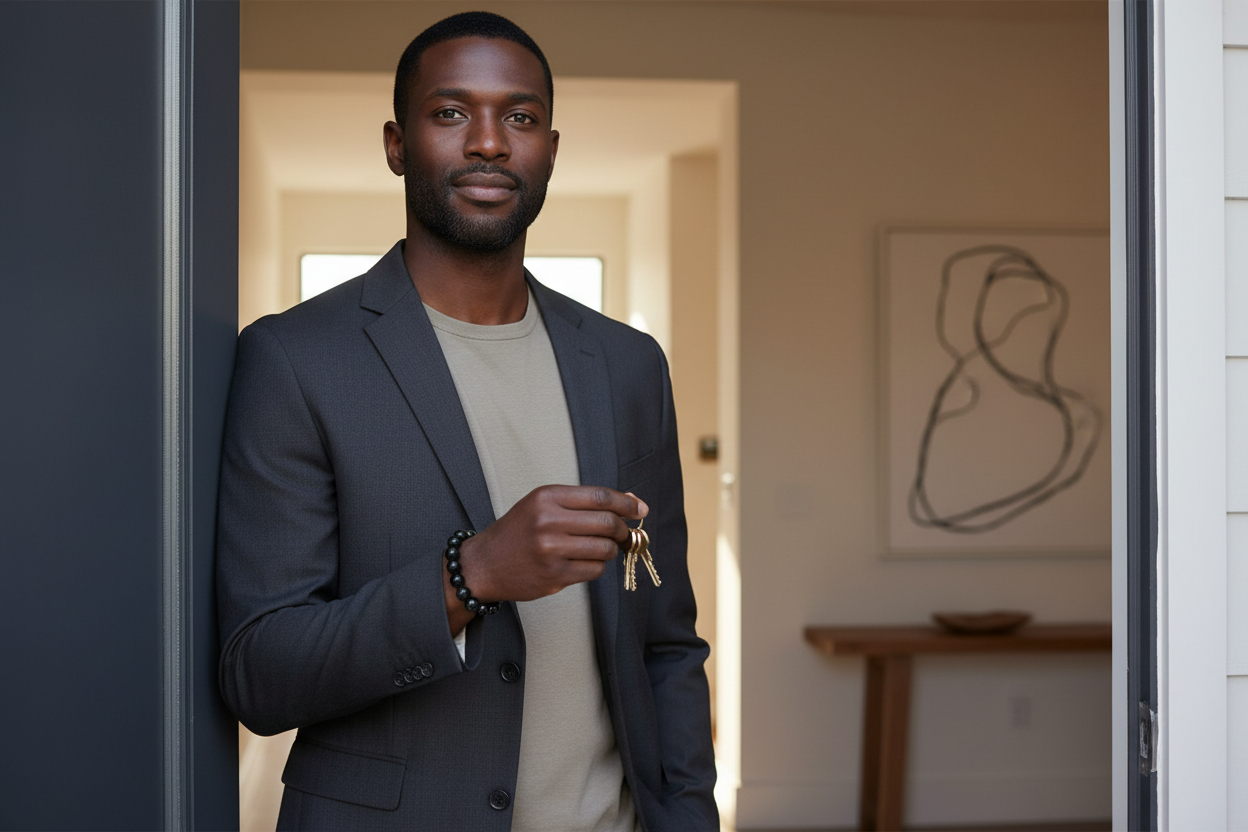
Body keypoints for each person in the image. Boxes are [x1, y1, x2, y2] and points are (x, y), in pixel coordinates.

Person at [215, 11, 717, 831]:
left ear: (551, 149)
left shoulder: (629, 366)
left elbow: (664, 641)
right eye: (451, 114)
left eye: (519, 117)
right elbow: (260, 673)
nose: (489, 142)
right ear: (396, 144)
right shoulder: (294, 360)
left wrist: (692, 815)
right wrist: (468, 575)